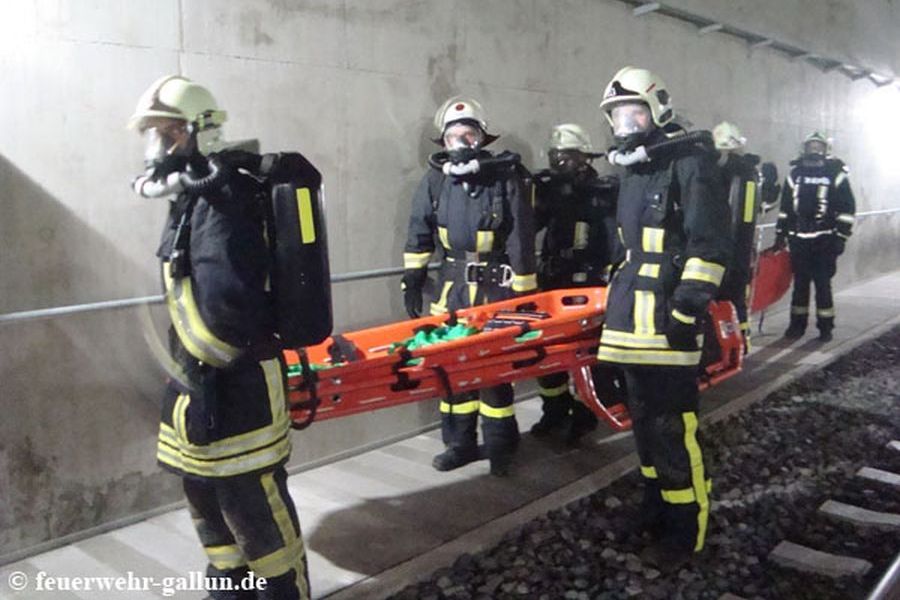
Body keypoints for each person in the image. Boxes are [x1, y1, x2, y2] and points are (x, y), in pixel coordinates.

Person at [129, 75, 310, 599]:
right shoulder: (193, 196)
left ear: (199, 133)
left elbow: (227, 307)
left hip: (236, 390)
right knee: (209, 508)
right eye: (154, 135)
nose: (156, 148)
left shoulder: (226, 198)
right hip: (199, 386)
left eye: (167, 134)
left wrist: (199, 369)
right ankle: (230, 590)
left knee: (258, 520)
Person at [596, 67, 732, 567]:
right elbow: (626, 249)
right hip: (630, 323)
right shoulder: (633, 169)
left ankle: (685, 530)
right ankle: (656, 510)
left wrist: (686, 309)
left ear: (658, 110)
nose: (625, 123)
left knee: (674, 431)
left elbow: (710, 244)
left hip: (669, 324)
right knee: (645, 429)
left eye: (635, 112)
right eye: (617, 116)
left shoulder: (690, 162)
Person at [402, 97, 537, 476]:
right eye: (453, 136)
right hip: (451, 288)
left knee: (494, 373)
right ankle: (459, 445)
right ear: (443, 142)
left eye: (469, 134)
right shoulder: (434, 180)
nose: (461, 142)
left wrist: (525, 295)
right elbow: (419, 230)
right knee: (451, 373)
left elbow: (520, 236)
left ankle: (500, 447)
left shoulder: (503, 177)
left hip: (496, 289)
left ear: (482, 138)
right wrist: (412, 278)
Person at [530, 124, 619, 443]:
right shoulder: (553, 190)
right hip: (554, 279)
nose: (559, 164)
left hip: (587, 283)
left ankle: (585, 415)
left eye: (565, 157)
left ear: (583, 157)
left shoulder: (601, 192)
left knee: (586, 352)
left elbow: (612, 241)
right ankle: (554, 409)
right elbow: (531, 226)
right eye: (555, 157)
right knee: (547, 350)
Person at [776, 131, 856, 342]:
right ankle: (796, 326)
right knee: (800, 286)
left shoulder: (836, 174)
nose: (814, 150)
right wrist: (780, 233)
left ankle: (826, 327)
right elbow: (785, 208)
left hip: (825, 241)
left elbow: (847, 208)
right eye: (811, 146)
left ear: (826, 150)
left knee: (823, 285)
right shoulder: (794, 174)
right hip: (798, 240)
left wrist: (841, 236)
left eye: (818, 147)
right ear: (804, 148)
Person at [712, 121, 762, 352]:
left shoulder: (719, 172)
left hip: (725, 249)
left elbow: (741, 216)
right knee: (736, 298)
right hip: (738, 249)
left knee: (726, 297)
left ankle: (732, 344)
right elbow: (748, 216)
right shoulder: (748, 174)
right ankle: (740, 342)